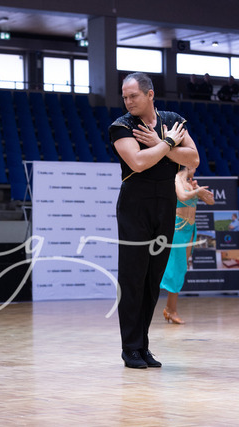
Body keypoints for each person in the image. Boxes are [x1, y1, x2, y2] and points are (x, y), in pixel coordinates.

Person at [109, 72, 200, 369]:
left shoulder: (173, 119)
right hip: (135, 205)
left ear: (150, 94)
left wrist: (161, 143)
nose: (127, 101)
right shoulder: (122, 126)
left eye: (133, 95)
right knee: (132, 278)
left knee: (152, 278)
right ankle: (130, 348)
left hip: (165, 205)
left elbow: (193, 159)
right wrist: (170, 143)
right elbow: (138, 162)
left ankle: (143, 345)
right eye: (124, 96)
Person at [160, 166, 214, 324]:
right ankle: (170, 310)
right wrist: (196, 192)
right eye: (194, 165)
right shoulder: (176, 179)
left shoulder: (191, 184)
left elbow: (211, 201)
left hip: (190, 228)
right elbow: (182, 196)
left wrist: (200, 191)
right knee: (175, 268)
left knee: (181, 268)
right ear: (187, 164)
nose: (195, 169)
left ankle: (170, 309)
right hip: (178, 227)